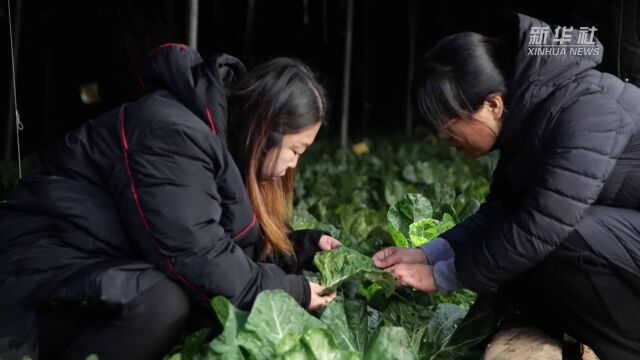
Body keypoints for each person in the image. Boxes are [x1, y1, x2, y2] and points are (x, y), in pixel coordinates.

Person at [0, 44, 340, 360]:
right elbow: (198, 258)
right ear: (265, 130)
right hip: (30, 277)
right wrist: (293, 291)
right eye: (296, 150)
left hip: (85, 273)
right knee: (163, 302)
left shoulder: (222, 145)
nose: (294, 165)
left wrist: (303, 247)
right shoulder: (172, 134)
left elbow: (228, 245)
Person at [373, 14, 640, 359]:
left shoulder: (585, 109)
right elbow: (500, 212)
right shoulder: (533, 114)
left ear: (492, 105)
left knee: (557, 240)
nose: (442, 137)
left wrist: (443, 276)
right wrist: (428, 252)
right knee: (515, 261)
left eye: (448, 124)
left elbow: (542, 227)